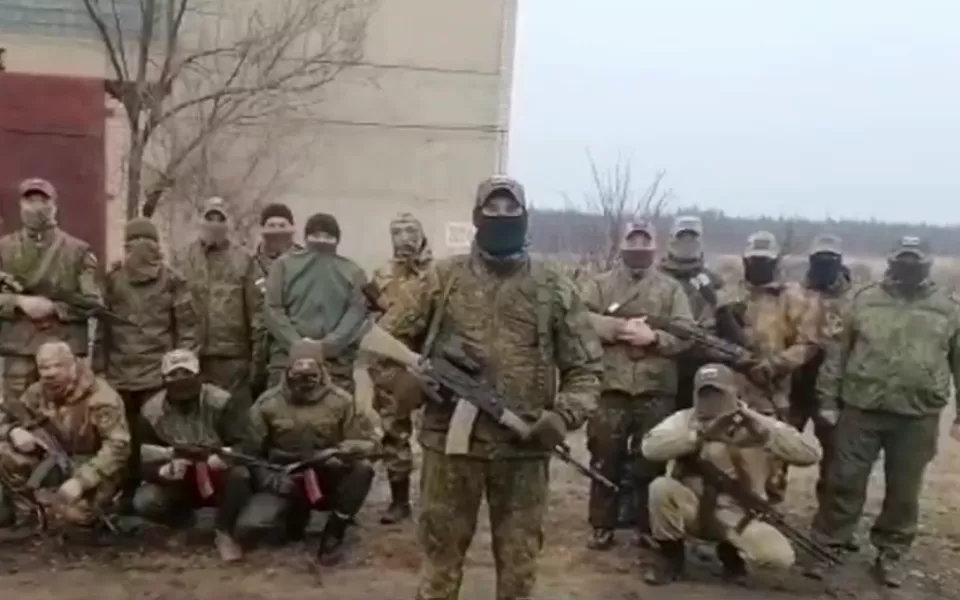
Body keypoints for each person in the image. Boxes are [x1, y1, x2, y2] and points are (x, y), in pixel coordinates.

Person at [379, 175, 603, 600]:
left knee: (519, 567)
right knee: (439, 563)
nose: (502, 217)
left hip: (523, 448)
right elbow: (383, 345)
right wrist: (407, 382)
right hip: (449, 448)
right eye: (492, 209)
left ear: (525, 216)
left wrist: (564, 415)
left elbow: (587, 368)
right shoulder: (441, 279)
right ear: (476, 216)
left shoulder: (553, 285)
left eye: (511, 209)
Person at [808, 236, 960, 588]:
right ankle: (828, 546)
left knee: (904, 490)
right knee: (844, 480)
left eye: (915, 260)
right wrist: (827, 401)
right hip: (861, 408)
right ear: (891, 261)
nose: (908, 266)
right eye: (902, 259)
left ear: (927, 264)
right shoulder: (864, 300)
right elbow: (837, 355)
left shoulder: (948, 307)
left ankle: (891, 553)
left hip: (917, 414)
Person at [641, 363, 822, 585]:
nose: (711, 400)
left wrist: (763, 430)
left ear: (733, 393)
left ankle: (732, 554)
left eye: (718, 393)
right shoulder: (686, 419)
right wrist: (698, 436)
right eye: (705, 394)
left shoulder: (756, 423)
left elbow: (810, 454)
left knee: (778, 558)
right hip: (694, 507)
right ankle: (671, 558)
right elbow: (650, 448)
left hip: (739, 516)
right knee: (660, 488)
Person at [581, 219, 694, 550]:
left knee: (650, 459)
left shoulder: (671, 289)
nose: (639, 248)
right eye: (633, 241)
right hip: (610, 385)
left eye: (645, 242)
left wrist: (654, 337)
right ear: (622, 245)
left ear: (655, 247)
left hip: (655, 388)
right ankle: (602, 523)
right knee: (605, 455)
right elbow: (578, 319)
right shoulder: (599, 284)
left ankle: (647, 524)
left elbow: (687, 333)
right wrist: (617, 329)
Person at [236, 340, 381, 565]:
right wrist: (268, 479)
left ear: (322, 370)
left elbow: (367, 443)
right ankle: (294, 516)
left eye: (311, 372)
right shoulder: (267, 403)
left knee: (362, 470)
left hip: (327, 473)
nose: (304, 378)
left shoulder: (341, 401)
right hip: (286, 474)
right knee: (250, 528)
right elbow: (250, 452)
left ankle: (335, 529)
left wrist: (339, 452)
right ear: (287, 370)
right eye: (298, 371)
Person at [97, 217, 199, 510]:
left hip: (150, 377)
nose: (140, 249)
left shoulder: (168, 280)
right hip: (135, 377)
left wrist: (180, 368)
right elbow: (188, 329)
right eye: (135, 242)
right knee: (135, 442)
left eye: (146, 241)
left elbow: (188, 329)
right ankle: (135, 495)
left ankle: (152, 496)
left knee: (141, 441)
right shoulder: (119, 280)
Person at [714, 231, 820, 503]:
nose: (759, 265)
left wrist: (775, 365)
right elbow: (708, 336)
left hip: (773, 395)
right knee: (727, 460)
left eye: (765, 260)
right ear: (744, 260)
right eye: (754, 260)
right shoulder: (728, 294)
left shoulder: (793, 298)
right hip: (731, 392)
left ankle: (767, 515)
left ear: (775, 262)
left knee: (772, 465)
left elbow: (808, 344)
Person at [133, 348, 251, 562]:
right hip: (179, 476)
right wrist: (162, 471)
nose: (181, 379)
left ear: (199, 374)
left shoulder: (221, 402)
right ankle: (183, 526)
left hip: (215, 470)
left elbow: (244, 444)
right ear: (163, 379)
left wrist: (225, 457)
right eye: (173, 374)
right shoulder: (150, 412)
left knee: (241, 477)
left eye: (187, 373)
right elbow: (143, 460)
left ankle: (224, 531)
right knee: (145, 500)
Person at [0, 341, 130, 528]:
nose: (50, 373)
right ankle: (28, 516)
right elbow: (8, 418)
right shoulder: (37, 392)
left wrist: (81, 481)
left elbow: (118, 448)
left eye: (57, 365)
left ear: (73, 365)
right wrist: (13, 431)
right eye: (44, 367)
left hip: (95, 467)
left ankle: (99, 510)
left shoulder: (102, 397)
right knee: (4, 452)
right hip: (52, 460)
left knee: (73, 517)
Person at [0, 178, 102, 400]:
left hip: (63, 353)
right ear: (20, 206)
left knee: (68, 415)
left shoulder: (78, 251)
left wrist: (54, 308)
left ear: (54, 206)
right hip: (19, 350)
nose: (36, 207)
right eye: (30, 201)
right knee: (17, 414)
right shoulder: (4, 249)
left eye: (43, 201)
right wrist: (19, 302)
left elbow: (92, 303)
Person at [367, 212, 433, 524]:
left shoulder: (438, 274)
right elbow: (369, 316)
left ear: (422, 235)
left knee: (435, 433)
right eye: (398, 232)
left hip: (430, 363)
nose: (404, 237)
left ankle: (435, 498)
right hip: (390, 365)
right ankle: (399, 500)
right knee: (394, 432)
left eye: (410, 231)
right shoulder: (380, 275)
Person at [263, 212, 370, 394]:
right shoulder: (283, 265)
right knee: (281, 410)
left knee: (336, 409)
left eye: (328, 236)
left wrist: (326, 346)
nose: (321, 240)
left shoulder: (353, 272)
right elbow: (273, 309)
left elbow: (356, 314)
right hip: (287, 361)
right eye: (316, 235)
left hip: (335, 365)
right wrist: (297, 344)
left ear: (337, 239)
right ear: (306, 237)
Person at [177, 197, 261, 420]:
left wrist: (256, 357)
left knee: (234, 417)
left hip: (232, 357)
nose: (214, 224)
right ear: (200, 221)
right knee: (196, 417)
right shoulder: (182, 257)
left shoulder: (244, 259)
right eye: (209, 217)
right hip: (191, 355)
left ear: (228, 223)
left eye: (220, 218)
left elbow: (256, 311)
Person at [789, 233, 851, 510]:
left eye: (831, 259)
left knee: (837, 460)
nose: (824, 263)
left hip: (836, 394)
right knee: (776, 450)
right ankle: (764, 508)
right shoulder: (793, 296)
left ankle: (830, 520)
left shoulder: (854, 301)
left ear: (840, 261)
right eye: (819, 258)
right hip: (794, 388)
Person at [658, 214, 725, 410]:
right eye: (682, 237)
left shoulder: (714, 281)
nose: (687, 244)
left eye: (692, 238)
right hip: (664, 359)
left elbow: (726, 321)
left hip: (703, 362)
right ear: (672, 240)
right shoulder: (656, 277)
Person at [251, 203, 301, 398]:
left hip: (290, 348)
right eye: (271, 225)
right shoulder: (250, 265)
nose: (277, 231)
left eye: (282, 225)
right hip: (256, 350)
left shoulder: (305, 262)